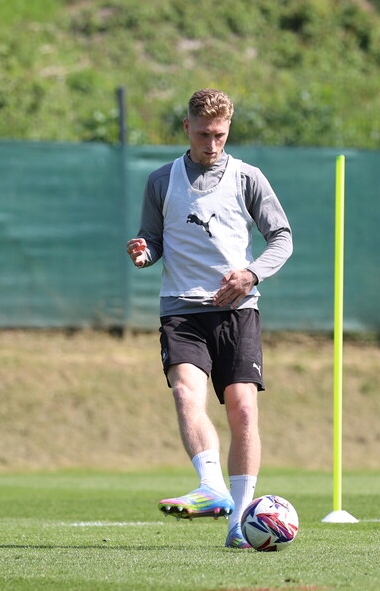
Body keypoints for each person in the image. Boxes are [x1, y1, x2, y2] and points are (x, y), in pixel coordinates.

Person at [125, 88, 293, 549]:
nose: (212, 144)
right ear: (187, 128)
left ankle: (238, 523)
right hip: (181, 308)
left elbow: (281, 237)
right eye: (203, 134)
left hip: (238, 310)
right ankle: (211, 485)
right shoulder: (162, 180)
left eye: (219, 135)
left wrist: (251, 273)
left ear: (228, 129)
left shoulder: (248, 178)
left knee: (243, 409)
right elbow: (151, 239)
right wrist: (143, 252)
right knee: (185, 390)